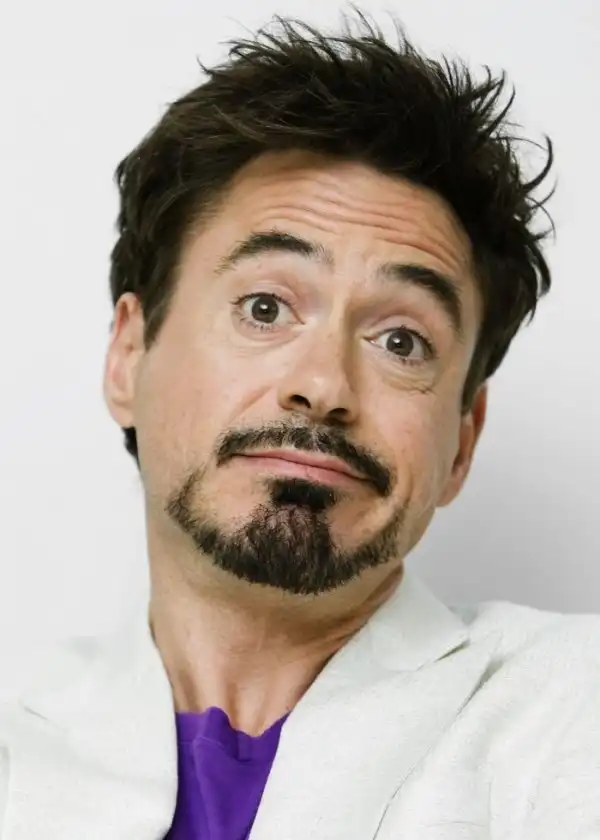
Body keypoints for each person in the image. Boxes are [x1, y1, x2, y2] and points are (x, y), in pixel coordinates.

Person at [1, 12, 599, 840]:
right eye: (264, 307)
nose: (322, 387)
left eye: (402, 341)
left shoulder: (572, 709)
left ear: (462, 442)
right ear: (129, 358)